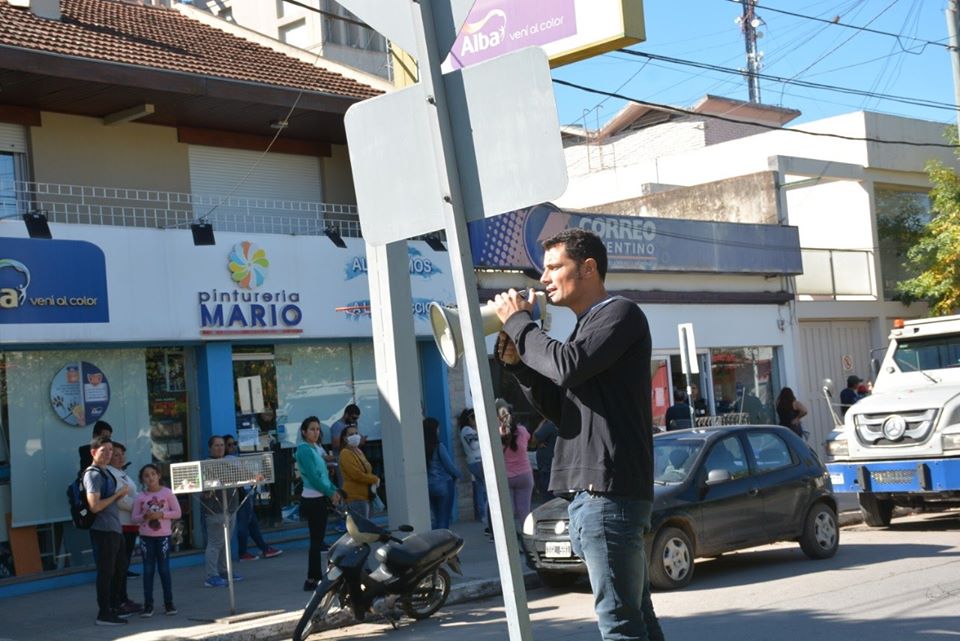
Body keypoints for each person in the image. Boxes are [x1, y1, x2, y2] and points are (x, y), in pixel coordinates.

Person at [492, 228, 665, 641]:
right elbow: (560, 405)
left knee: (620, 627)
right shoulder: (586, 330)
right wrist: (518, 366)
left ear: (588, 268)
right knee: (638, 621)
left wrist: (520, 323)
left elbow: (567, 365)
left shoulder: (620, 314)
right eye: (543, 270)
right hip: (599, 498)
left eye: (554, 267)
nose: (544, 278)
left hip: (607, 495)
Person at [83, 436, 131, 626]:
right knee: (106, 572)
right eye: (104, 450)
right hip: (103, 529)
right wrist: (118, 495)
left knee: (120, 569)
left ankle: (113, 607)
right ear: (93, 452)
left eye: (110, 450)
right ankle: (104, 613)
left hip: (114, 528)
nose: (108, 454)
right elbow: (94, 506)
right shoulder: (93, 474)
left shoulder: (106, 472)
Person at [296, 416, 342, 592]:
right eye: (312, 429)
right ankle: (312, 579)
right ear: (304, 432)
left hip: (320, 496)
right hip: (312, 499)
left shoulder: (316, 448)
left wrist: (334, 491)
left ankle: (317, 576)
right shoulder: (304, 450)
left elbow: (323, 475)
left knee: (319, 540)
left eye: (317, 429)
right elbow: (314, 478)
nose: (315, 432)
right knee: (316, 541)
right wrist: (331, 493)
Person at [132, 463, 182, 617]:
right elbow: (134, 518)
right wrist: (145, 517)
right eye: (146, 475)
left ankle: (169, 603)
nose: (150, 477)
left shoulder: (167, 493)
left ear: (159, 475)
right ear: (142, 479)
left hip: (163, 537)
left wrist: (161, 515)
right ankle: (148, 605)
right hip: (146, 537)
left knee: (164, 569)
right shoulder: (140, 497)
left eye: (153, 474)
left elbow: (177, 512)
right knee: (148, 571)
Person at [224, 435, 283, 562]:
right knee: (244, 524)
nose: (233, 446)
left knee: (252, 523)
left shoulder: (234, 458)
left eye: (234, 443)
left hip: (244, 493)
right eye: (229, 444)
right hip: (240, 494)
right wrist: (254, 476)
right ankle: (244, 552)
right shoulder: (229, 460)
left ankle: (264, 548)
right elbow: (239, 474)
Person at [200, 435, 240, 588]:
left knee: (225, 543)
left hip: (231, 509)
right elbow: (203, 488)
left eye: (222, 445)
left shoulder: (229, 462)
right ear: (210, 448)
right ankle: (211, 575)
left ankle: (224, 571)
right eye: (216, 445)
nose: (220, 448)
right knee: (215, 543)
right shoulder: (206, 465)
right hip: (215, 511)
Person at [108, 442, 142, 613]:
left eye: (122, 454)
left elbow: (134, 495)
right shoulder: (110, 474)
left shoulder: (122, 473)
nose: (121, 457)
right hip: (120, 525)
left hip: (131, 524)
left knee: (124, 565)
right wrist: (142, 506)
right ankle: (118, 601)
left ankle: (123, 598)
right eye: (116, 455)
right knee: (119, 567)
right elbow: (120, 500)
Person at [496, 399, 534, 531]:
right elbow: (529, 439)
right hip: (525, 475)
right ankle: (528, 541)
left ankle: (511, 542)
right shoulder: (522, 431)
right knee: (525, 511)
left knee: (508, 513)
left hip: (506, 477)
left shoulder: (497, 433)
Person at [423, 417, 460, 530]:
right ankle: (443, 543)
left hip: (429, 486)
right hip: (443, 484)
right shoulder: (439, 446)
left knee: (437, 517)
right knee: (444, 519)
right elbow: (449, 466)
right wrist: (458, 474)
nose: (439, 431)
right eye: (437, 429)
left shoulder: (420, 447)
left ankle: (435, 541)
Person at [338, 424, 380, 520]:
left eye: (356, 433)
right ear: (345, 438)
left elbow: (367, 470)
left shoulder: (358, 451)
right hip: (355, 496)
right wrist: (374, 479)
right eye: (351, 434)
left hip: (366, 496)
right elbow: (356, 474)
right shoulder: (345, 453)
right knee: (360, 530)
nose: (355, 436)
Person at [458, 408, 489, 532]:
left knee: (480, 487)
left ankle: (482, 512)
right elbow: (474, 445)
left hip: (476, 461)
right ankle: (484, 513)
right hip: (476, 461)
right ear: (469, 419)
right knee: (485, 488)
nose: (476, 421)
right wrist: (482, 436)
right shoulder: (467, 430)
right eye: (474, 418)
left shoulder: (469, 430)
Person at [530, 417, 559, 500]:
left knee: (548, 497)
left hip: (547, 466)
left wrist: (541, 424)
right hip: (554, 464)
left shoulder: (549, 424)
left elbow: (533, 441)